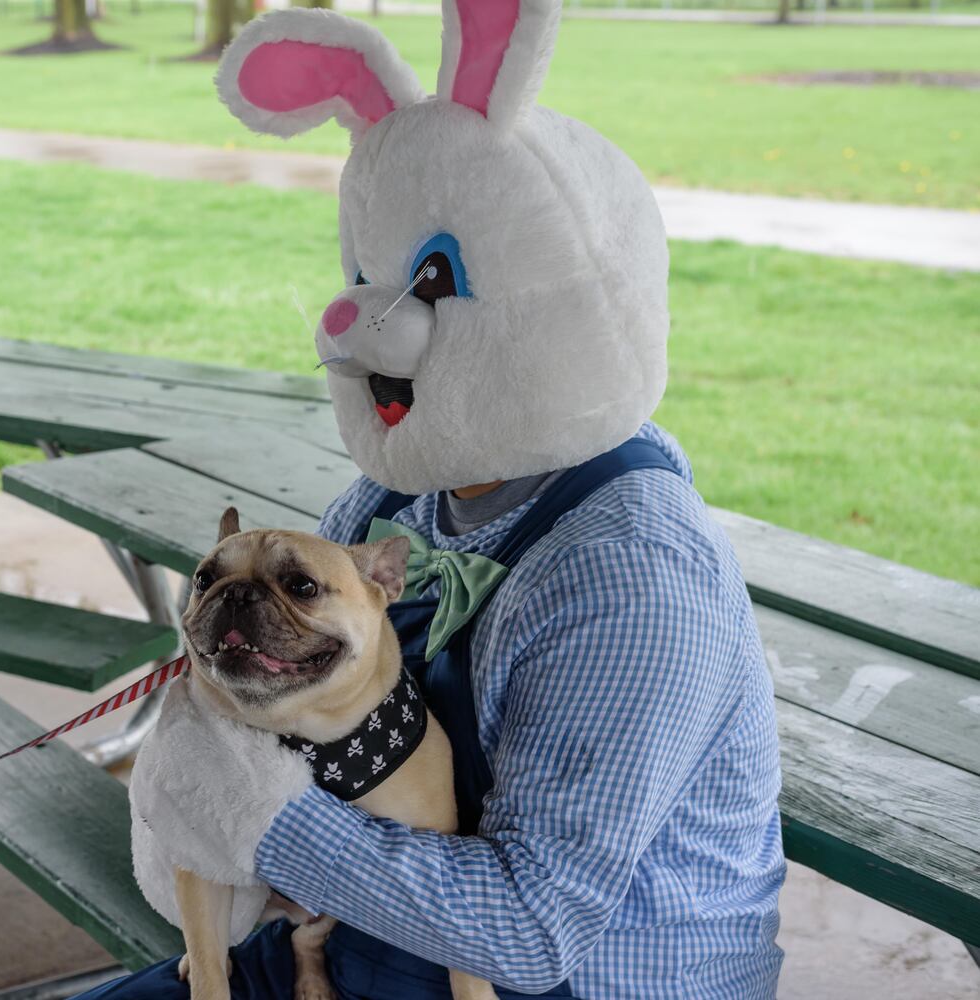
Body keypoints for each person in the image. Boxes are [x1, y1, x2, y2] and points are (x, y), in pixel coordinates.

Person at [81, 0, 785, 995]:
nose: (358, 319)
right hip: (371, 933)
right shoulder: (396, 498)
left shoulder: (629, 577)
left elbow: (533, 935)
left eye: (428, 279)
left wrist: (262, 818)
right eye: (367, 275)